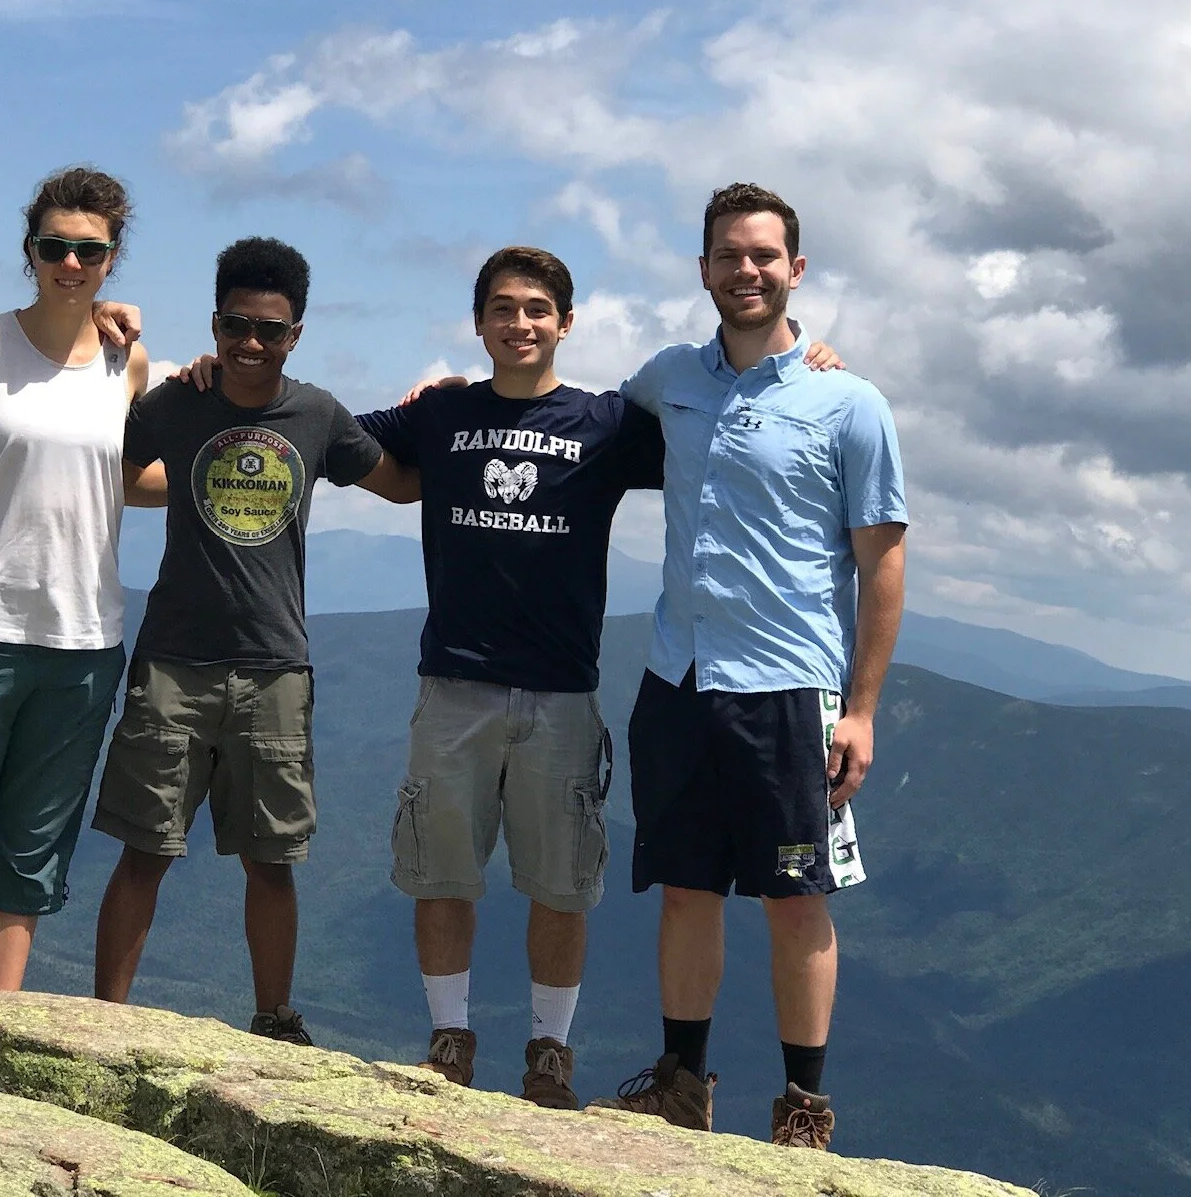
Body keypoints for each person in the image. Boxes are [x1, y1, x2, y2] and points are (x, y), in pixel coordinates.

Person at [360, 249, 842, 1109]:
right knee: (441, 873)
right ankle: (448, 1040)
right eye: (502, 309)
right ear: (477, 323)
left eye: (538, 308)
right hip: (453, 684)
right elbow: (330, 434)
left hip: (561, 692)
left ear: (565, 322)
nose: (520, 324)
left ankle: (549, 1052)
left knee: (561, 883)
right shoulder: (439, 414)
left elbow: (722, 428)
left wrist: (802, 362)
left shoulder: (608, 422)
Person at [598, 182, 906, 1151]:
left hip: (790, 689)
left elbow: (883, 558)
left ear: (796, 271)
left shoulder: (848, 403)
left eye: (764, 255)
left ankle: (803, 1109)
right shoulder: (671, 378)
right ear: (704, 271)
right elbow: (583, 417)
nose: (746, 270)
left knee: (795, 895)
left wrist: (861, 711)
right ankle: (683, 1083)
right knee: (687, 886)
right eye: (729, 255)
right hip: (680, 679)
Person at [91, 236, 419, 1045]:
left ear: (295, 333)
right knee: (145, 847)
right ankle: (102, 1022)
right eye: (236, 326)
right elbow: (111, 469)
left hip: (275, 665)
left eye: (269, 331)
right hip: (174, 657)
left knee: (272, 858)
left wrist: (439, 408)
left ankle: (274, 1018)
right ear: (214, 323)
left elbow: (403, 483)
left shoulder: (315, 415)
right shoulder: (177, 403)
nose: (250, 343)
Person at [0, 166, 166, 989]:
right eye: (55, 246)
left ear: (112, 256)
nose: (71, 262)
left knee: (31, 851)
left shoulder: (128, 360)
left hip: (85, 639)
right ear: (29, 250)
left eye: (90, 249)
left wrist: (248, 466)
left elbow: (125, 477)